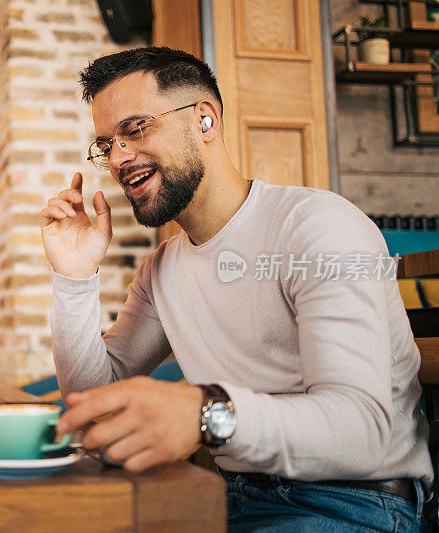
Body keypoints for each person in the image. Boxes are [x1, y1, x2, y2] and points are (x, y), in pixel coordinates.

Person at [39, 46, 432, 531]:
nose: (118, 157)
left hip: (355, 503)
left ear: (205, 120)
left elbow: (364, 431)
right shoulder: (161, 270)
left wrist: (207, 413)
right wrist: (74, 276)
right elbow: (91, 398)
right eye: (106, 144)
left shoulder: (319, 227)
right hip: (232, 496)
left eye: (135, 129)